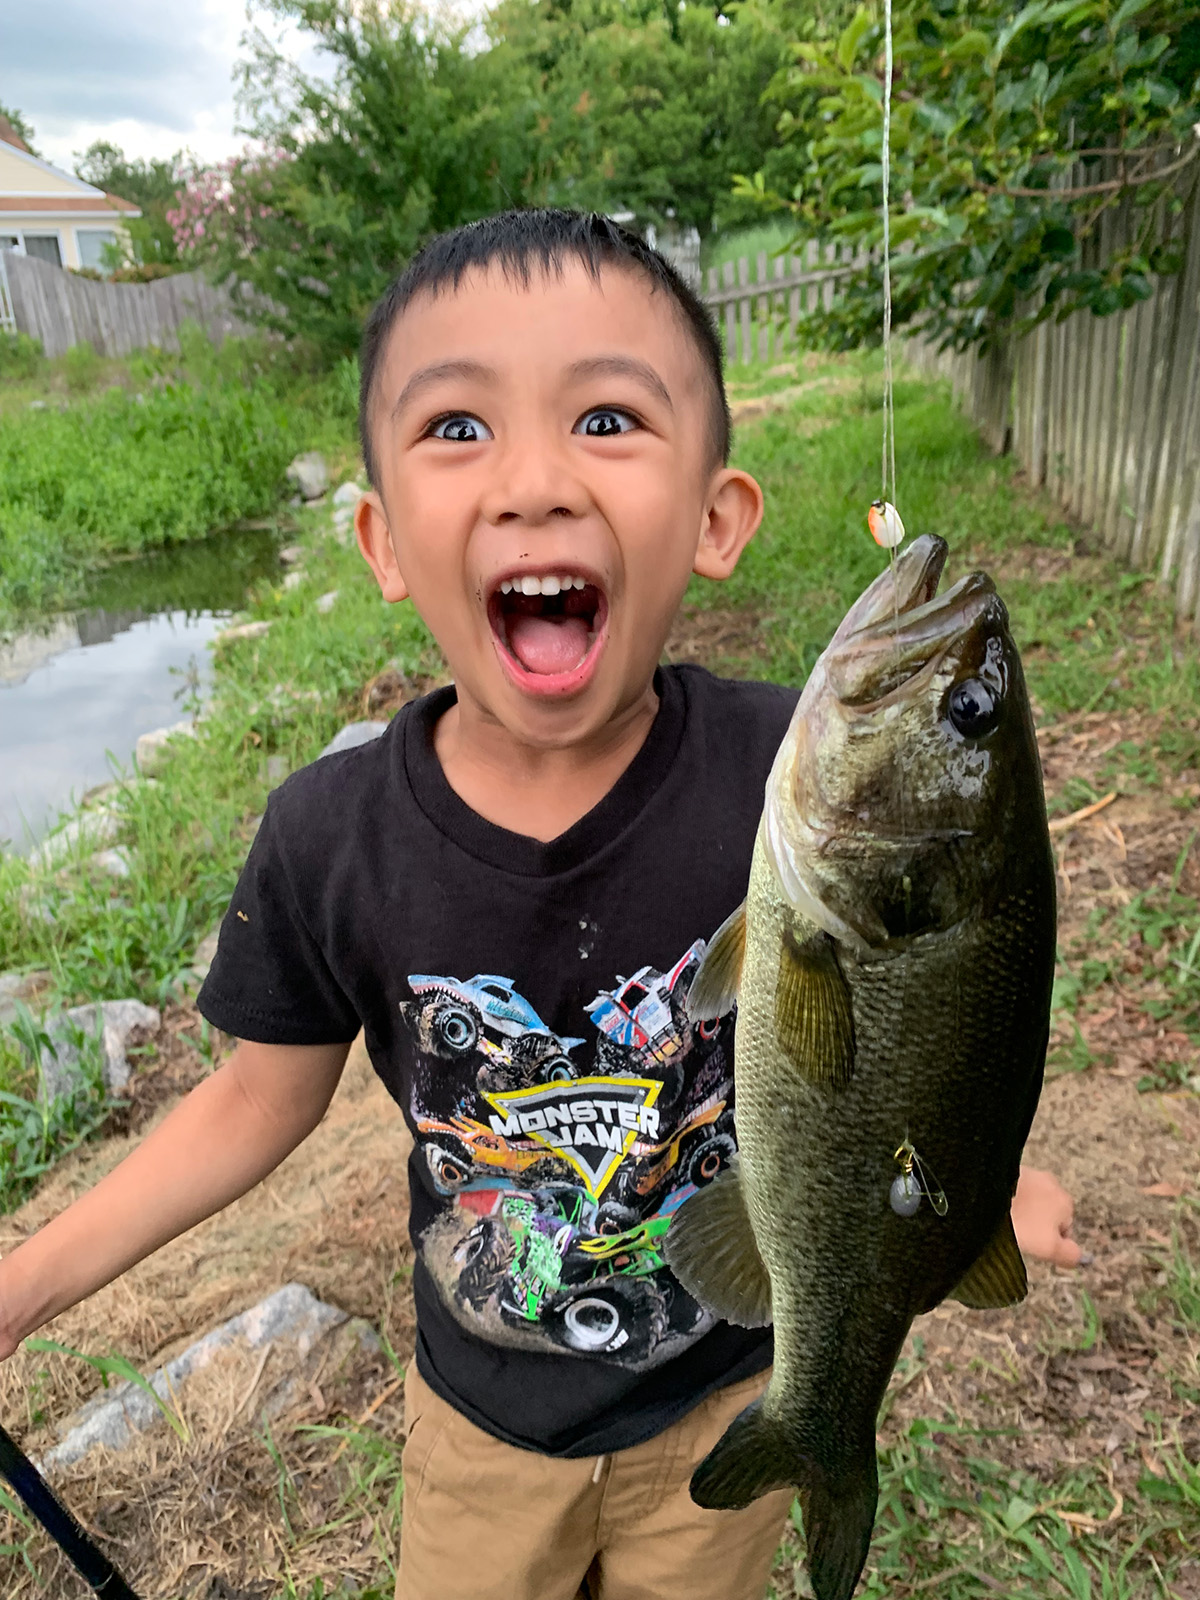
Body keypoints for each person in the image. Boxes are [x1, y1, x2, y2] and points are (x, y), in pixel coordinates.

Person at [0, 210, 1081, 1600]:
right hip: (481, 1432)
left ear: (716, 519)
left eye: (607, 418)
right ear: (383, 543)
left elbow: (926, 1012)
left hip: (722, 1387)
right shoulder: (326, 841)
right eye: (458, 427)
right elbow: (254, 1102)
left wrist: (971, 1180)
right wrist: (24, 1285)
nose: (534, 482)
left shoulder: (785, 780)